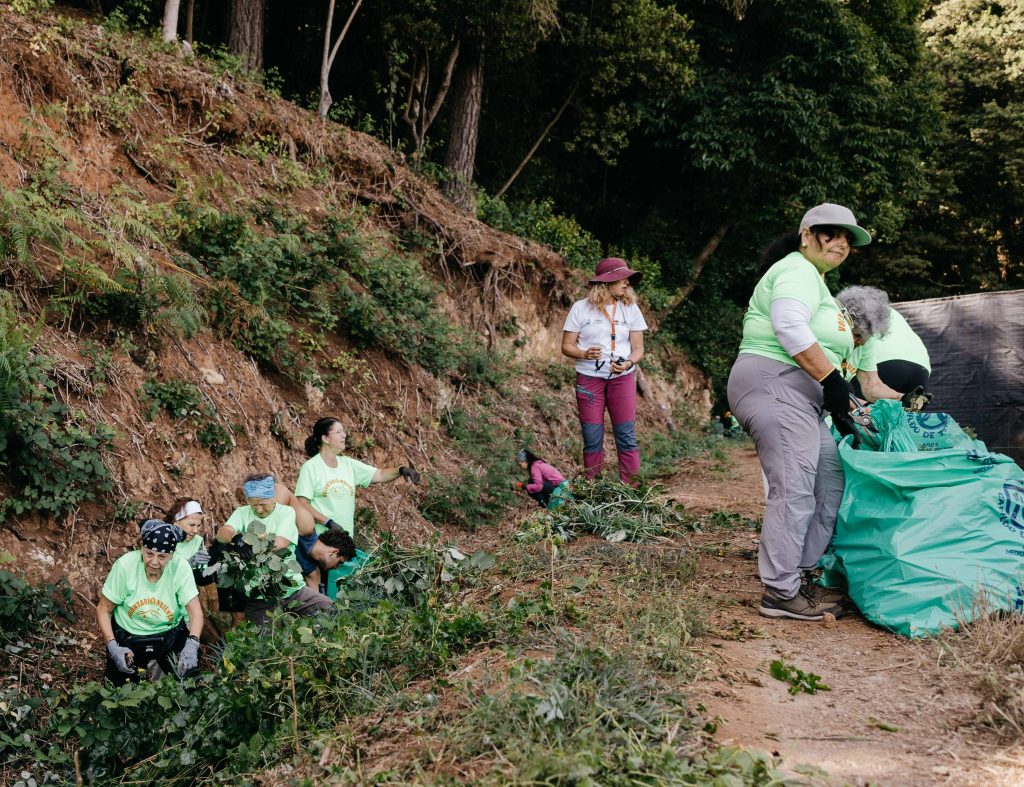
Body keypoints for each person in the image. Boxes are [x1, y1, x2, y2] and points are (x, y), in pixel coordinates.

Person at [727, 203, 886, 622]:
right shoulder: (796, 269)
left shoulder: (818, 284)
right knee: (795, 486)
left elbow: (833, 356)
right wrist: (833, 381)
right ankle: (779, 591)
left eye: (848, 239)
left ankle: (798, 573)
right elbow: (789, 328)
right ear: (806, 235)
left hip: (803, 396)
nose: (841, 244)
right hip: (773, 382)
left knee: (829, 480)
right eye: (831, 234)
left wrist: (844, 399)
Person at [293, 417, 421, 588]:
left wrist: (401, 470)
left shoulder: (348, 465)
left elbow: (380, 474)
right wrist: (328, 522)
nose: (344, 435)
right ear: (324, 438)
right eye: (338, 432)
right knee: (316, 583)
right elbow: (302, 504)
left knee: (336, 588)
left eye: (343, 431)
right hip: (320, 541)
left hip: (343, 542)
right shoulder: (311, 467)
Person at [561, 257, 649, 485]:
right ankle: (593, 490)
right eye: (622, 279)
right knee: (592, 438)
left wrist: (628, 363)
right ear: (606, 282)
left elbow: (638, 349)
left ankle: (632, 492)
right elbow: (566, 346)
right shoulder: (580, 308)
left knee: (626, 437)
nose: (627, 283)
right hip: (589, 380)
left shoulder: (630, 308)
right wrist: (583, 353)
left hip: (622, 379)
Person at [215, 473, 334, 626]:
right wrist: (236, 538)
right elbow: (222, 534)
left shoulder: (286, 512)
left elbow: (279, 544)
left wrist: (251, 544)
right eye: (253, 504)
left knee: (330, 609)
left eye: (263, 504)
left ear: (272, 497)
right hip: (259, 595)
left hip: (291, 589)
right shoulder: (241, 513)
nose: (258, 509)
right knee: (263, 644)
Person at [97, 520, 203, 685]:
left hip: (169, 634)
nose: (154, 562)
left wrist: (192, 644)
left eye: (162, 557)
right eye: (149, 554)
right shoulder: (125, 566)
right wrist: (112, 646)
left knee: (190, 683)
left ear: (172, 555)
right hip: (128, 635)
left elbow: (195, 613)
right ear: (141, 548)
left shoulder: (180, 568)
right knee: (117, 692)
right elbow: (104, 610)